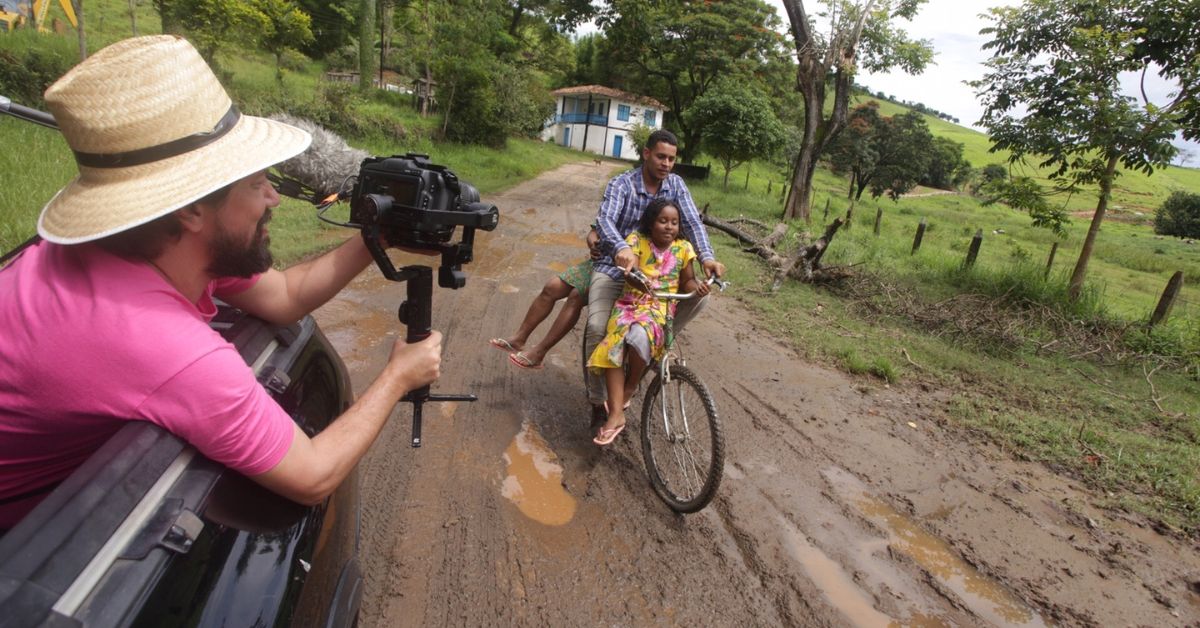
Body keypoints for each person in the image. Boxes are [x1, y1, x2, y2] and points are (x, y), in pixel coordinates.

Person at [0, 35, 442, 531]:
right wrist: (399, 377)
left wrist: (377, 236)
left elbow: (285, 296)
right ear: (191, 210)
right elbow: (313, 473)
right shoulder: (160, 346)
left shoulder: (157, 244)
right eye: (257, 183)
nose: (274, 197)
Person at [584, 129, 726, 423]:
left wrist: (707, 257)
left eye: (672, 159)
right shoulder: (621, 183)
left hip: (657, 282)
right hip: (616, 269)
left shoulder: (676, 185)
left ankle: (655, 343)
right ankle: (598, 403)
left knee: (701, 300)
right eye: (661, 156)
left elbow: (692, 222)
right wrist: (621, 247)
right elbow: (605, 220)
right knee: (598, 328)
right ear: (646, 154)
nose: (666, 163)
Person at [587, 199, 707, 445]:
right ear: (651, 223)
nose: (669, 227)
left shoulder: (684, 248)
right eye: (663, 221)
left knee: (641, 336)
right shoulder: (636, 242)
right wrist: (636, 278)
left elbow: (688, 282)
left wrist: (699, 288)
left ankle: (630, 387)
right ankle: (616, 415)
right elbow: (630, 276)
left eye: (674, 222)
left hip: (660, 308)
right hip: (630, 303)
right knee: (615, 344)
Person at [490, 251, 593, 371]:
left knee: (577, 296)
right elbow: (594, 233)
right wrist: (594, 244)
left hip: (615, 271)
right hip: (600, 262)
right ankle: (519, 338)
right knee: (552, 287)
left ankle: (539, 353)